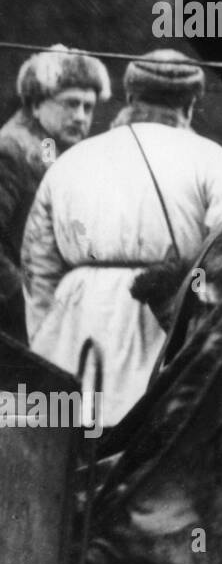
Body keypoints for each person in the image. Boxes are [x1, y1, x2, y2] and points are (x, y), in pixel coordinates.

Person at [23, 50, 222, 428]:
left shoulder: (72, 160)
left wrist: (47, 342)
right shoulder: (212, 159)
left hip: (72, 329)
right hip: (160, 323)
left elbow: (37, 267)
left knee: (63, 452)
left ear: (130, 99)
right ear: (190, 105)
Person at [0, 46, 110, 343]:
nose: (80, 116)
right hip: (16, 324)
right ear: (36, 104)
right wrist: (25, 303)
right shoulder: (11, 149)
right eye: (70, 104)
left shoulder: (52, 148)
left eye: (88, 107)